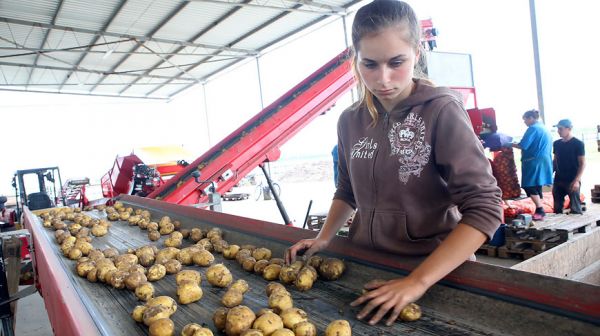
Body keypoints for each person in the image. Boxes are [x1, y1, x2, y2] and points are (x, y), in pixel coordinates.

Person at [284, 0, 502, 326]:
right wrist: (325, 237)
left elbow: (485, 207)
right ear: (355, 60)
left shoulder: (440, 112)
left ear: (416, 52)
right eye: (369, 64)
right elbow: (347, 190)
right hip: (368, 267)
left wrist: (417, 282)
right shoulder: (350, 121)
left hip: (433, 274)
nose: (383, 79)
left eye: (395, 62)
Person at [511, 110, 553, 220]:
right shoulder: (544, 128)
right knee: (537, 184)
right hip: (544, 159)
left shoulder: (533, 129)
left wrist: (509, 144)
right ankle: (540, 206)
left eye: (525, 119)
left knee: (528, 185)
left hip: (533, 160)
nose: (524, 122)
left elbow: (523, 145)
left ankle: (540, 209)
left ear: (531, 118)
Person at [552, 119, 585, 214]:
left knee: (575, 208)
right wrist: (549, 174)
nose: (558, 131)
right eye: (558, 129)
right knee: (557, 209)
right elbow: (555, 160)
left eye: (561, 129)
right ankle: (559, 227)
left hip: (572, 179)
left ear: (569, 129)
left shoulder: (578, 144)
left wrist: (577, 180)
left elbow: (582, 163)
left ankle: (580, 228)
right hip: (558, 179)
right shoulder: (557, 144)